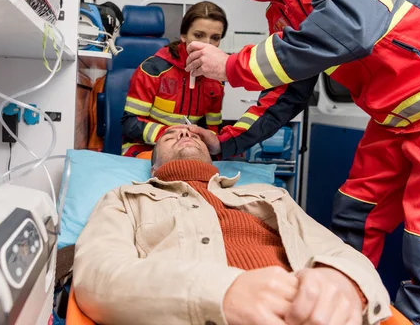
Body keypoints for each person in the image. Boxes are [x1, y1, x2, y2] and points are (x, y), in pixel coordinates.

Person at [179, 0, 420, 322]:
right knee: (354, 216)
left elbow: (349, 29)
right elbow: (284, 91)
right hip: (397, 116)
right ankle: (341, 310)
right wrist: (225, 143)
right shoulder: (286, 4)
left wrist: (232, 66)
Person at [73, 125, 390, 325]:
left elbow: (337, 251)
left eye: (194, 134)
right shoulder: (125, 198)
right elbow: (97, 276)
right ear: (153, 165)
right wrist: (219, 294)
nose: (185, 133)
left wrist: (345, 283)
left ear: (212, 159)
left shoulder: (268, 195)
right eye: (170, 134)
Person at [121, 1, 227, 158]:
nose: (207, 44)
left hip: (190, 150)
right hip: (147, 147)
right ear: (183, 35)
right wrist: (172, 135)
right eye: (198, 35)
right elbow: (130, 124)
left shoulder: (216, 80)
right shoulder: (153, 70)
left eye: (215, 38)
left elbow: (212, 130)